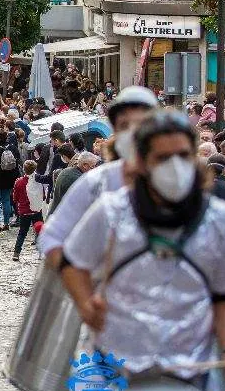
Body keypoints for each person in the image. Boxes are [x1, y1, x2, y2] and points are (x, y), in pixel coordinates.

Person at [60, 111, 225, 391]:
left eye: (182, 156)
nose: (174, 166)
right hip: (111, 378)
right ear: (141, 162)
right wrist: (87, 305)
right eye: (163, 157)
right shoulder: (111, 213)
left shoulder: (222, 222)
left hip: (192, 379)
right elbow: (71, 263)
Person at [38, 86, 158, 268]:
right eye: (125, 125)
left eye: (142, 123)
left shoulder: (176, 180)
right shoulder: (95, 181)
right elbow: (52, 236)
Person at [11, 160, 45, 261]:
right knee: (40, 232)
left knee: (22, 232)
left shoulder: (19, 182)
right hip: (36, 211)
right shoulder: (38, 182)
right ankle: (41, 253)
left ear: (24, 169)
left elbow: (15, 198)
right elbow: (43, 196)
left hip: (24, 211)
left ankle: (16, 253)